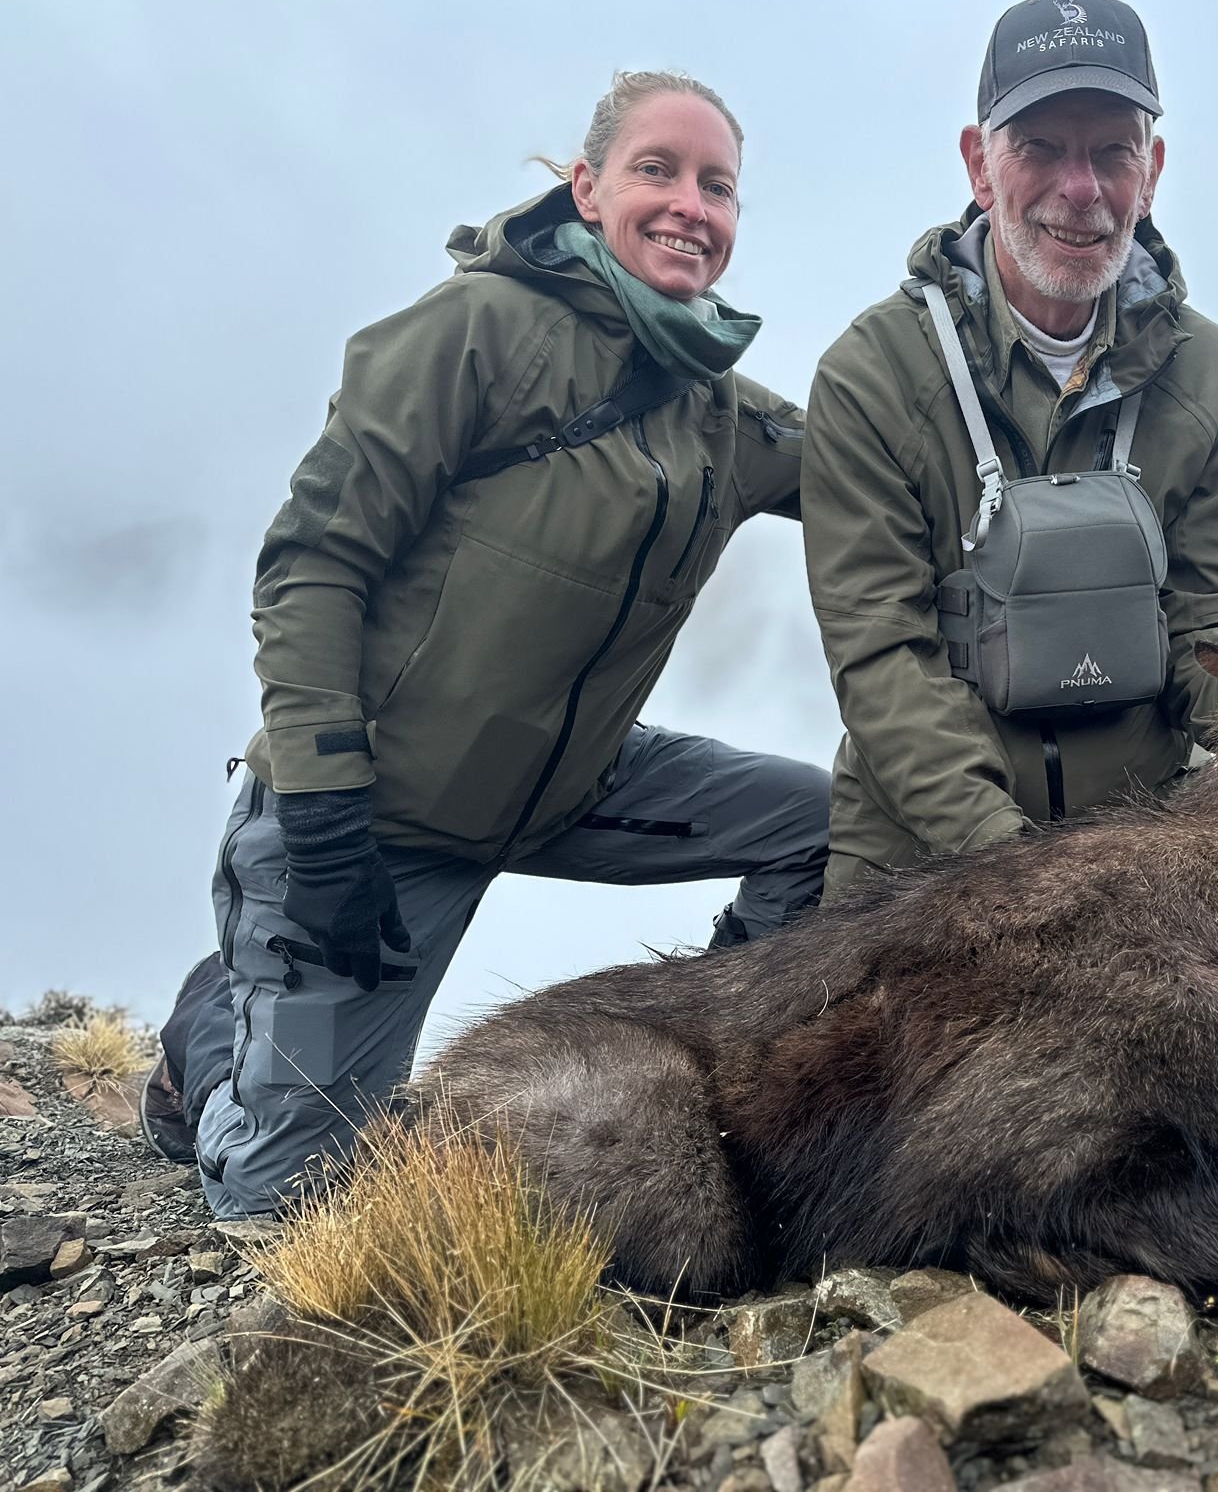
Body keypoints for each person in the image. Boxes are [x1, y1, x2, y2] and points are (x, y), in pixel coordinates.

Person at [142, 72, 829, 1218]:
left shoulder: (722, 412)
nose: (688, 205)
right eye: (655, 169)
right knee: (289, 1207)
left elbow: (873, 467)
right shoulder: (475, 331)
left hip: (569, 786)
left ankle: (710, 1043)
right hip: (371, 818)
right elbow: (313, 563)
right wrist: (317, 811)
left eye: (717, 186)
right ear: (586, 185)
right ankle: (208, 1048)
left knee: (821, 822)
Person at [800, 0, 1218, 898]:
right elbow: (882, 653)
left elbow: (1213, 628)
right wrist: (1011, 867)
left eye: (1111, 154)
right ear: (980, 164)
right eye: (1041, 149)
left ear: (1154, 169)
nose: (1080, 190)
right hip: (918, 861)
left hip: (1146, 845)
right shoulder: (872, 373)